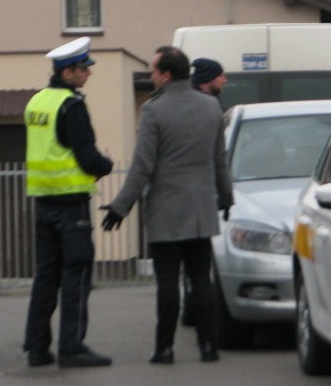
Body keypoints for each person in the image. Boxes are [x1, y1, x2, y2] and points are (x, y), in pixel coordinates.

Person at [101, 46, 233, 365]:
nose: (151, 77)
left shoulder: (153, 110)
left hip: (166, 210)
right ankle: (208, 346)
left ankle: (164, 348)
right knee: (201, 279)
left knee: (168, 283)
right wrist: (226, 198)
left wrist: (121, 206)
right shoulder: (211, 108)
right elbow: (219, 162)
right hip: (201, 208)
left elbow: (142, 166)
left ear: (167, 75)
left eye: (153, 72)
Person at [23, 36, 114, 369]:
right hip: (71, 204)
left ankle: (36, 348)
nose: (87, 75)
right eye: (83, 70)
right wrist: (106, 164)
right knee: (76, 273)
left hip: (43, 201)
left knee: (46, 276)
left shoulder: (36, 103)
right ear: (67, 73)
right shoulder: (71, 106)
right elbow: (87, 158)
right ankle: (72, 347)